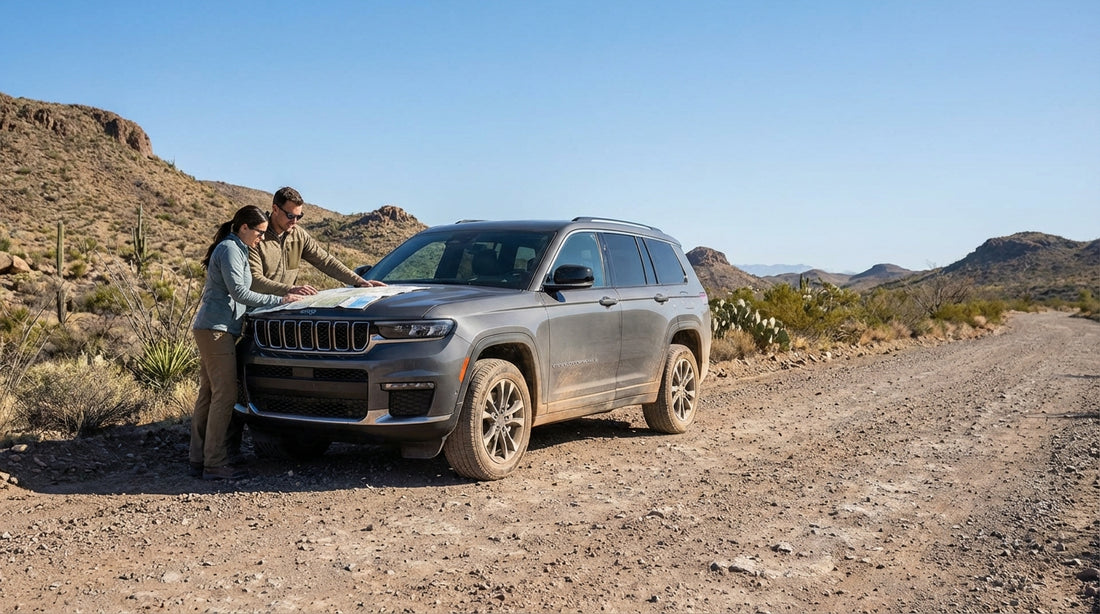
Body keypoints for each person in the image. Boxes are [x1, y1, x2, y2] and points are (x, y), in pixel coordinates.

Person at [191, 205, 303, 480]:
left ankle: (199, 459)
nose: (261, 239)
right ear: (244, 228)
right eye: (259, 232)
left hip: (213, 328)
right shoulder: (230, 249)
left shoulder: (237, 249)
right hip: (217, 331)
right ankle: (215, 463)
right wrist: (281, 300)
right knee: (225, 395)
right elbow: (239, 291)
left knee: (208, 394)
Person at [249, 186, 385, 296]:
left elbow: (325, 261)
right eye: (290, 215)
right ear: (275, 209)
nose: (294, 221)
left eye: (299, 216)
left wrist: (360, 282)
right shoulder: (255, 236)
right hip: (255, 312)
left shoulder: (298, 235)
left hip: (285, 309)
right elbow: (255, 280)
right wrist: (290, 289)